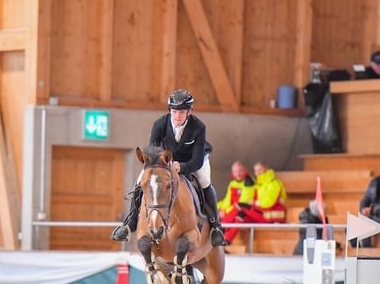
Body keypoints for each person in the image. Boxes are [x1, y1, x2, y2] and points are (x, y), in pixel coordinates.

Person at [111, 89, 228, 247]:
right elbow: (153, 152)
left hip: (192, 161)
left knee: (205, 180)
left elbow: (197, 160)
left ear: (189, 112)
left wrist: (182, 167)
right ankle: (130, 223)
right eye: (174, 111)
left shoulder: (198, 127)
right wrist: (163, 165)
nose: (177, 116)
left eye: (182, 112)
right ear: (170, 111)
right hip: (164, 162)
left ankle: (216, 227)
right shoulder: (159, 125)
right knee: (141, 180)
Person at [221, 161, 288, 244]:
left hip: (272, 216)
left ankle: (222, 227)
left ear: (266, 169)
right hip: (261, 214)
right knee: (241, 216)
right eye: (256, 171)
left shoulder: (274, 183)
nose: (257, 173)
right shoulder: (258, 185)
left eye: (260, 170)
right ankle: (226, 240)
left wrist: (255, 203)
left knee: (241, 206)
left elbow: (269, 203)